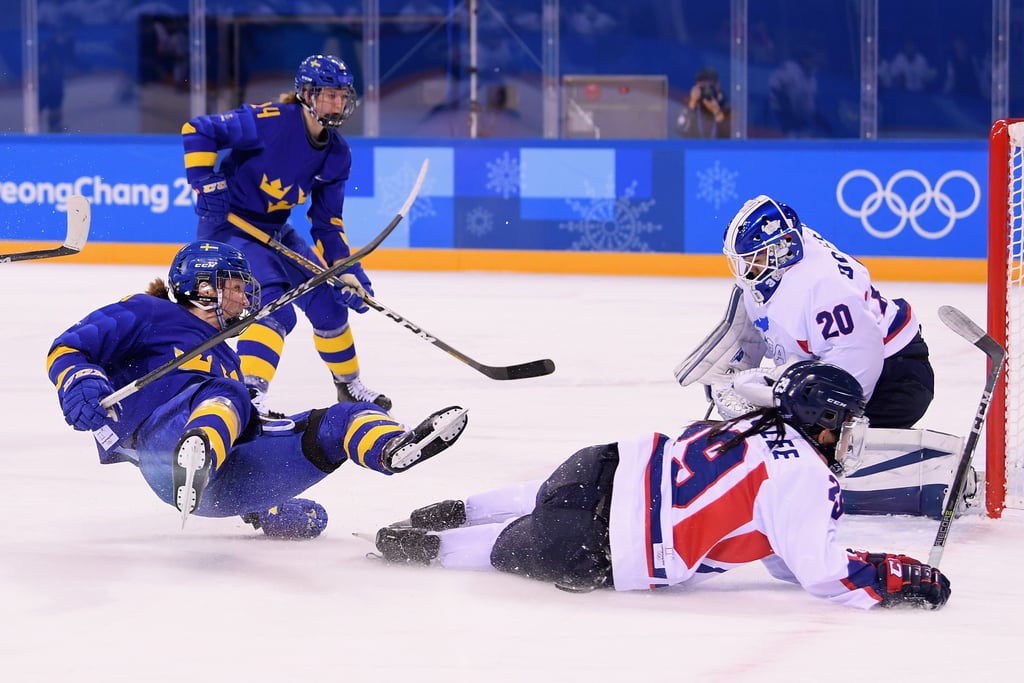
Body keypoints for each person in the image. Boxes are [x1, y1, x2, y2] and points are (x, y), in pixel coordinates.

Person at [372, 361, 951, 610]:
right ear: (821, 424)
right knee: (493, 553)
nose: (853, 436)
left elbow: (783, 554)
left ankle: (455, 508)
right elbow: (824, 575)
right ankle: (415, 545)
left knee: (539, 493)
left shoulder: (756, 420)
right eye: (846, 424)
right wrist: (897, 575)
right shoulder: (804, 478)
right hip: (592, 545)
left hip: (596, 464)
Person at [45, 240, 469, 535]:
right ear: (202, 286)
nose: (243, 296)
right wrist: (79, 380)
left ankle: (392, 449)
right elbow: (69, 347)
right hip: (164, 455)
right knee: (228, 397)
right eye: (233, 286)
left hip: (226, 480)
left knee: (338, 419)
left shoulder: (228, 359)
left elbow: (245, 428)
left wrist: (266, 508)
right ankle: (197, 458)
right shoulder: (149, 311)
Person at [181, 54, 389, 417]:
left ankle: (349, 386)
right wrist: (205, 181)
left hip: (275, 230)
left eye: (343, 96)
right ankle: (247, 394)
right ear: (307, 94)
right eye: (329, 95)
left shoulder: (337, 153)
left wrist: (344, 268)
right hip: (230, 229)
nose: (338, 104)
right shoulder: (270, 122)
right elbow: (197, 129)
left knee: (328, 303)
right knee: (274, 307)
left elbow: (326, 222)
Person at [682, 194, 934, 430]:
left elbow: (861, 360)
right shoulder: (784, 256)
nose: (746, 268)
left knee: (813, 442)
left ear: (783, 248)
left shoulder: (826, 290)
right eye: (743, 259)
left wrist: (830, 423)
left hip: (895, 379)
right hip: (852, 361)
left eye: (753, 258)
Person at [676, 67, 730, 139]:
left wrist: (717, 112)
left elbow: (729, 136)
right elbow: (680, 129)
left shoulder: (725, 105)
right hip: (694, 148)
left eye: (709, 87)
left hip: (717, 149)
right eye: (703, 88)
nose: (706, 91)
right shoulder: (690, 103)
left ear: (717, 86)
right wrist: (692, 103)